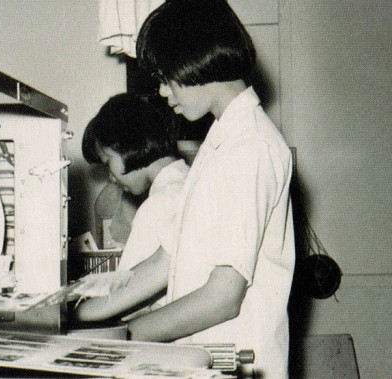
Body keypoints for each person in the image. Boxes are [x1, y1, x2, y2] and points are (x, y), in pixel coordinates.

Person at [77, 1, 295, 377]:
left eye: (166, 77)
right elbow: (166, 260)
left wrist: (125, 338)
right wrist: (79, 310)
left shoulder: (251, 147)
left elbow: (222, 299)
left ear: (194, 62)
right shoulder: (220, 142)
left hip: (236, 360)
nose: (162, 91)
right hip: (201, 360)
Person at [81, 93, 188, 275]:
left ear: (128, 144)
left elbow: (125, 288)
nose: (112, 177)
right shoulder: (188, 179)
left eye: (107, 163)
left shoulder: (157, 205)